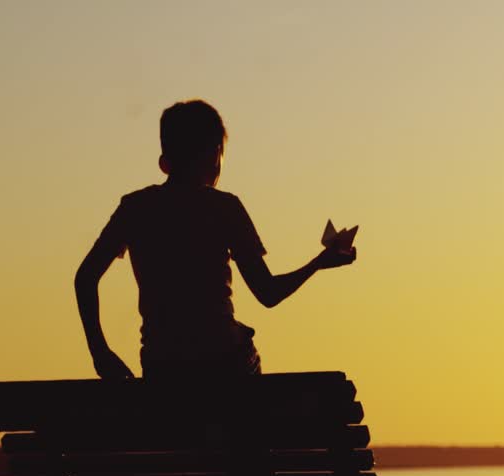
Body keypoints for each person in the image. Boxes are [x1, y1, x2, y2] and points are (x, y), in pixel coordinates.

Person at [74, 99, 356, 379]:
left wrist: (100, 353)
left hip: (163, 366)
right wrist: (318, 263)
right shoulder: (225, 208)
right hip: (223, 364)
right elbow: (268, 293)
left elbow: (85, 278)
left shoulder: (135, 208)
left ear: (165, 160)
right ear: (214, 154)